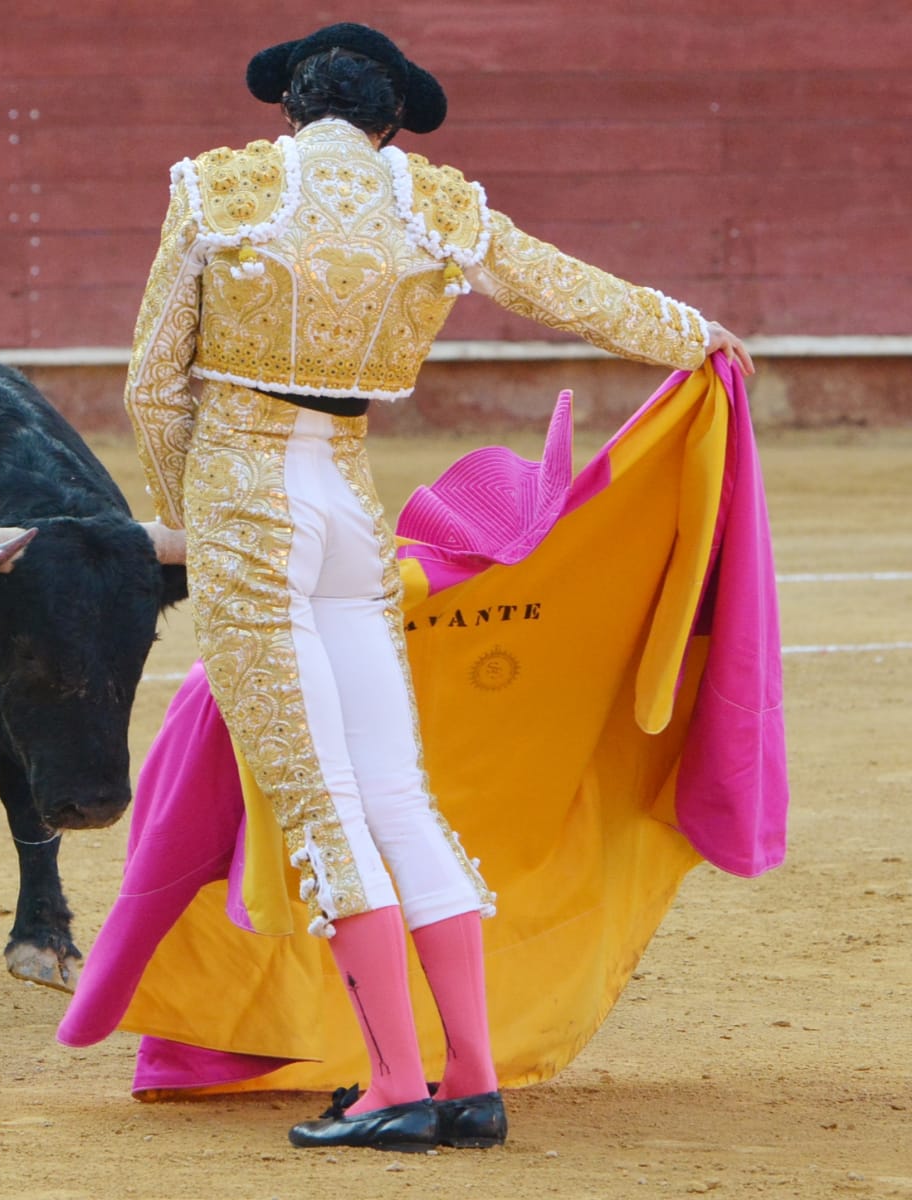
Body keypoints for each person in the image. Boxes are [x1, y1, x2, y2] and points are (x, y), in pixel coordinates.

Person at [117, 22, 753, 1152]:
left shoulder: (222, 185)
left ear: (288, 110)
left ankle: (391, 1086)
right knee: (395, 792)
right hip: (350, 505)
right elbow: (567, 291)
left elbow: (154, 382)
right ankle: (467, 1077)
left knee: (319, 803)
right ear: (391, 123)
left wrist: (192, 518)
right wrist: (692, 336)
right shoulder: (441, 208)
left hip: (247, 500)